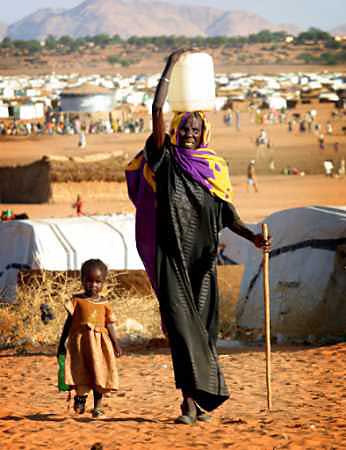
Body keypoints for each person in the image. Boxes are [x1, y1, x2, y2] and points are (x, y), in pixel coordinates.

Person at [126, 49, 270, 425]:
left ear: (204, 132)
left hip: (202, 264)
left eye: (195, 129)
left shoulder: (214, 169)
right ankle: (188, 403)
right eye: (183, 128)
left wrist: (253, 238)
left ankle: (202, 401)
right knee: (180, 331)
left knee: (204, 334)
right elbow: (156, 111)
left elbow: (227, 216)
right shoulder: (164, 158)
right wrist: (170, 67)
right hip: (171, 261)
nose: (189, 134)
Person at [57, 259, 122, 417]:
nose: (93, 285)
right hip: (80, 344)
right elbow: (69, 322)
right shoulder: (76, 301)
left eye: (98, 282)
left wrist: (116, 344)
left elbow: (109, 324)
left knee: (99, 372)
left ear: (103, 283)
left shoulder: (105, 303)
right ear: (82, 280)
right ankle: (80, 397)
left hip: (100, 345)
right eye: (89, 281)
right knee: (81, 370)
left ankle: (98, 407)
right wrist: (61, 342)